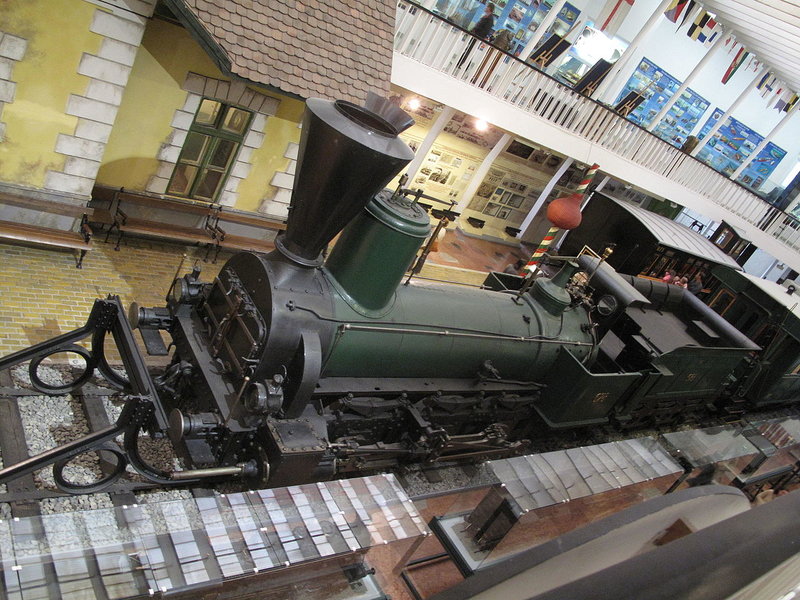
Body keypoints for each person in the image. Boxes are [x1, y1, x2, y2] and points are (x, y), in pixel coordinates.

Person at [456, 2, 495, 71]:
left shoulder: (490, 19)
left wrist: (478, 35)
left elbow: (485, 30)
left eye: (487, 7)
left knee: (469, 50)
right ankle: (462, 64)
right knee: (468, 49)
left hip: (477, 37)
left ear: (490, 8)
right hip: (475, 35)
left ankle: (461, 64)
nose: (485, 8)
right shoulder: (486, 16)